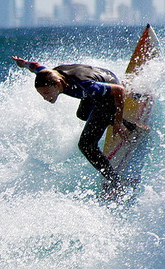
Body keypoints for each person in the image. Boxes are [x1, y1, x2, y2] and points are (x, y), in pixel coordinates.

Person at [12, 56, 138, 187]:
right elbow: (35, 66)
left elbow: (118, 91)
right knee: (83, 114)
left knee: (86, 145)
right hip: (98, 79)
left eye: (47, 93)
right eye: (42, 94)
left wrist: (118, 121)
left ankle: (115, 181)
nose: (45, 98)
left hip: (108, 90)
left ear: (58, 84)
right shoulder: (48, 75)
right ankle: (127, 124)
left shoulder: (83, 85)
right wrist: (23, 64)